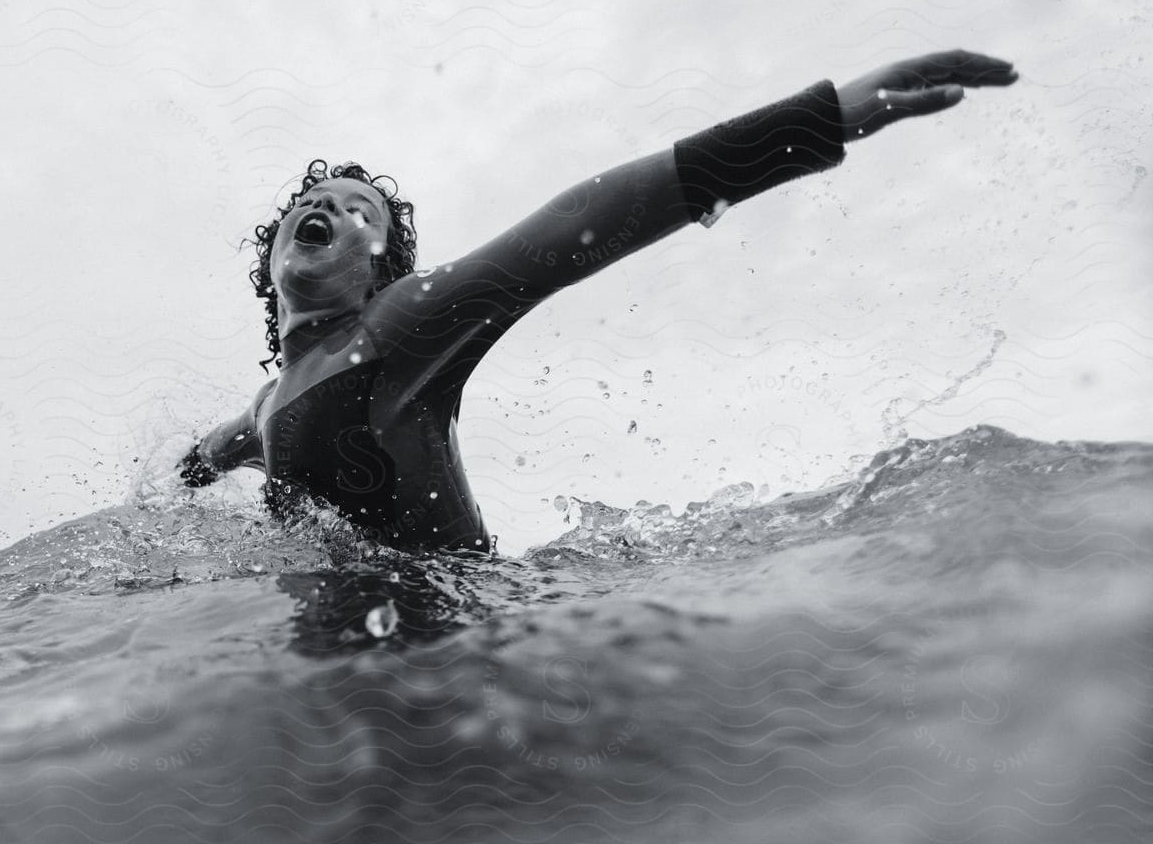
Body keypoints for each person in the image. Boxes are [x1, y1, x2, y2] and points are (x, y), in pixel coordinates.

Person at [177, 50, 1019, 554]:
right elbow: (197, 464)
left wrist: (824, 117)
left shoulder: (402, 325)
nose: (335, 207)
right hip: (346, 677)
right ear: (280, 241)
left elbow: (588, 219)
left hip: (455, 639)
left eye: (366, 211)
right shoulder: (261, 411)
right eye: (320, 200)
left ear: (382, 267)